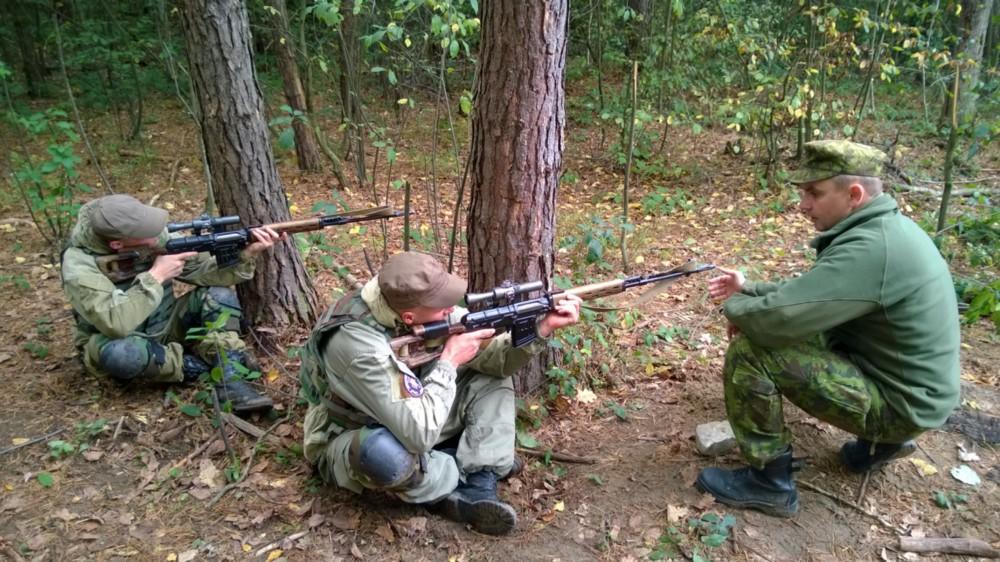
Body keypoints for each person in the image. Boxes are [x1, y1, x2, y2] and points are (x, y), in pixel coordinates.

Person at [695, 140, 961, 517]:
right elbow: (814, 297)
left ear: (854, 194)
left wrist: (737, 310)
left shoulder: (873, 248)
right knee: (797, 330)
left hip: (902, 404)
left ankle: (769, 482)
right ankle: (878, 446)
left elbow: (779, 320)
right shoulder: (886, 230)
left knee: (752, 349)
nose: (803, 204)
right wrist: (749, 289)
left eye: (814, 193)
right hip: (913, 390)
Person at [299, 251, 582, 535]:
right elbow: (418, 433)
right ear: (409, 316)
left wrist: (542, 327)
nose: (451, 309)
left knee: (490, 379)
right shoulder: (356, 345)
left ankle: (480, 478)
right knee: (381, 454)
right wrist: (449, 362)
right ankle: (455, 478)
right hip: (353, 432)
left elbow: (499, 361)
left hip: (413, 412)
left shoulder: (412, 303)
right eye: (442, 305)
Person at [61, 194, 283, 413]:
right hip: (118, 339)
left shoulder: (152, 236)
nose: (157, 236)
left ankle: (229, 374)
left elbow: (203, 272)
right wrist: (156, 275)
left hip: (166, 324)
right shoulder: (79, 267)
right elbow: (115, 323)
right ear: (117, 244)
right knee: (122, 355)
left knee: (218, 296)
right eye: (147, 236)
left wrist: (244, 254)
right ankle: (197, 368)